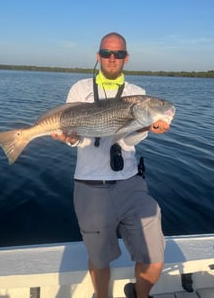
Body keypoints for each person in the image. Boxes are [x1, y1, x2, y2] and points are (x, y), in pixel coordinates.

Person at [52, 32, 170, 298]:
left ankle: (141, 294)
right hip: (90, 185)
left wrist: (148, 127)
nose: (112, 58)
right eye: (106, 53)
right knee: (99, 258)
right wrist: (69, 139)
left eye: (118, 54)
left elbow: (129, 142)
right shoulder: (81, 89)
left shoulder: (137, 95)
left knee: (154, 258)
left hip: (131, 183)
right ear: (98, 56)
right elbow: (78, 139)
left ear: (126, 58)